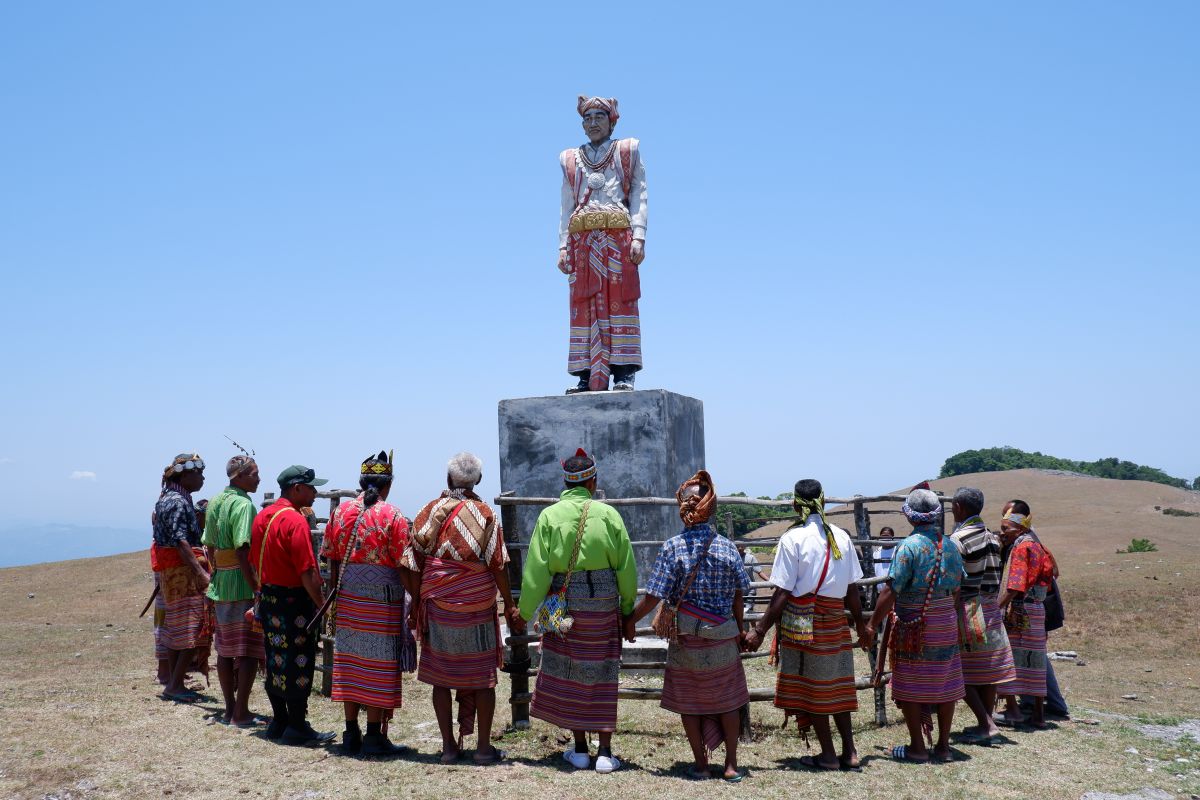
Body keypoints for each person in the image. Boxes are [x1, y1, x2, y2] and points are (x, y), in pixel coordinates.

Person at [515, 448, 638, 774]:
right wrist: (627, 611)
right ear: (593, 481)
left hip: (565, 609)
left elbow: (537, 571)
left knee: (571, 673)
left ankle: (581, 750)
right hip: (604, 605)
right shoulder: (609, 515)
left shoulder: (549, 517)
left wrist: (524, 610)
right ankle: (605, 753)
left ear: (566, 482)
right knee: (603, 674)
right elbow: (626, 568)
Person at [626, 470, 749, 782]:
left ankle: (702, 765)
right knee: (728, 701)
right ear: (711, 507)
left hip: (686, 639)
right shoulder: (728, 547)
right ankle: (731, 764)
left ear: (684, 508)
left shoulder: (673, 547)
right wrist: (740, 630)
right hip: (723, 636)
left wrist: (629, 621)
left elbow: (654, 596)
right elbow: (739, 595)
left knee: (690, 702)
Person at [405, 452, 520, 765]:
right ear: (478, 480)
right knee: (483, 676)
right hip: (478, 606)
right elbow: (497, 563)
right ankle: (483, 749)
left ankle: (448, 748)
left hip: (438, 605)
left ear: (447, 479)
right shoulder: (485, 514)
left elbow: (411, 560)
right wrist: (509, 604)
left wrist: (418, 600)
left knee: (441, 678)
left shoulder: (429, 511)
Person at [744, 479, 866, 771]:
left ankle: (827, 755)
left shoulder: (792, 539)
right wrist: (862, 627)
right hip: (836, 619)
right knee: (837, 685)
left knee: (814, 689)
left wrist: (760, 630)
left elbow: (782, 592)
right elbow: (852, 590)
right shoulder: (842, 537)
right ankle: (849, 752)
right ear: (823, 502)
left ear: (795, 505)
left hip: (804, 622)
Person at [320, 451, 416, 756]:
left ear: (361, 481)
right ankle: (373, 737)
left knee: (350, 662)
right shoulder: (394, 516)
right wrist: (417, 595)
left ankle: (351, 734)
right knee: (378, 663)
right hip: (383, 602)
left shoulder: (340, 513)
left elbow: (332, 558)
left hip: (348, 598)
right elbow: (404, 563)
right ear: (387, 485)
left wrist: (337, 592)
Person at [864, 487, 966, 763]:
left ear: (910, 516)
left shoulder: (908, 548)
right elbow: (958, 587)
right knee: (945, 684)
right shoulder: (952, 547)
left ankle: (918, 748)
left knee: (909, 683)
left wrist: (872, 623)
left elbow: (891, 590)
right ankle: (943, 746)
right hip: (945, 621)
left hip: (914, 626)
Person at [558, 96, 648, 393]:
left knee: (621, 302)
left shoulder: (627, 151)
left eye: (599, 116)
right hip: (582, 243)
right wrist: (561, 246)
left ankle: (623, 372)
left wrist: (639, 235)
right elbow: (566, 205)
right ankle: (587, 374)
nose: (593, 123)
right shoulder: (570, 159)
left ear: (612, 120)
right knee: (584, 307)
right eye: (587, 118)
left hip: (617, 239)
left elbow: (638, 194)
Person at [250, 464, 335, 746]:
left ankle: (280, 721)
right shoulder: (295, 521)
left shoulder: (264, 516)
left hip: (270, 598)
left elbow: (252, 558)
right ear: (297, 488)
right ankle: (297, 725)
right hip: (294, 601)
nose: (315, 493)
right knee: (299, 661)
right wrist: (322, 605)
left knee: (275, 659)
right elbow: (308, 572)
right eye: (311, 487)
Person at [201, 454, 265, 726]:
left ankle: (229, 709)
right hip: (241, 584)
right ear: (239, 477)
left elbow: (209, 543)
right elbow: (243, 547)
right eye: (254, 474)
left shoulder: (215, 501)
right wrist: (255, 587)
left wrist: (216, 570)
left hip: (221, 584)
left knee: (226, 650)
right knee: (248, 650)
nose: (259, 478)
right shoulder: (243, 505)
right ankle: (241, 712)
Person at [949, 487, 1015, 745]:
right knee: (987, 672)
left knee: (960, 669)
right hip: (990, 606)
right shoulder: (994, 538)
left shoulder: (959, 540)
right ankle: (984, 722)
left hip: (968, 607)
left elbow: (956, 581)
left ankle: (986, 724)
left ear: (958, 507)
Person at [151, 453, 214, 702]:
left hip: (173, 571)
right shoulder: (177, 501)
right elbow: (180, 539)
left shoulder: (168, 497)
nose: (202, 478)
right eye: (199, 473)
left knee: (178, 628)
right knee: (192, 626)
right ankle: (175, 685)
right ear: (185, 475)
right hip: (183, 572)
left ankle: (175, 682)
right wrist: (200, 572)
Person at [996, 500, 1058, 729]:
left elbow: (1014, 586)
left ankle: (1013, 711)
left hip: (1021, 611)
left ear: (1018, 527)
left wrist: (996, 609)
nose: (1003, 534)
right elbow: (1053, 574)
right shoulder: (1037, 545)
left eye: (1005, 529)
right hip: (1037, 608)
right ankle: (1039, 715)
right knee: (1036, 662)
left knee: (1009, 659)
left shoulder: (1022, 547)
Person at [736, 542, 766, 616]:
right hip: (738, 590)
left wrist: (769, 581)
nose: (740, 548)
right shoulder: (733, 559)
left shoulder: (750, 558)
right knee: (741, 611)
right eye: (737, 546)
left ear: (744, 547)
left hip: (750, 589)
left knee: (748, 610)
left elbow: (759, 571)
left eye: (741, 546)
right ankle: (748, 627)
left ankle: (752, 627)